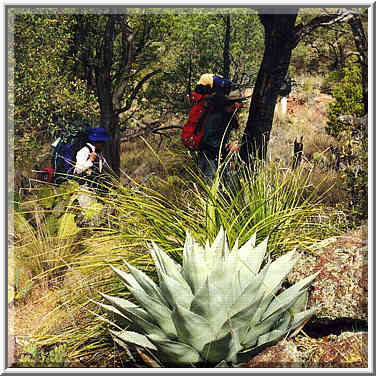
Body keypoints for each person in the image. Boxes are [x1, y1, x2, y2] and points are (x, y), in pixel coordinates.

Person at [195, 74, 243, 183]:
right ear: (232, 103)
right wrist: (226, 146)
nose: (241, 105)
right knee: (209, 185)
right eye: (239, 102)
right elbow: (207, 140)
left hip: (218, 156)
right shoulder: (216, 117)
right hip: (208, 157)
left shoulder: (228, 116)